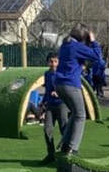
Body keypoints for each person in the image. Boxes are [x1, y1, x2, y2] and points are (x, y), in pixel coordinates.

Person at [55, 23, 103, 155]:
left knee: (75, 114)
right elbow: (97, 57)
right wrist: (93, 42)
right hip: (70, 84)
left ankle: (64, 145)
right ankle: (72, 148)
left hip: (58, 83)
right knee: (81, 115)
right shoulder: (76, 47)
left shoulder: (65, 45)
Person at [39, 52, 68, 164]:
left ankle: (66, 153)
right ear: (48, 62)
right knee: (47, 129)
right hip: (50, 105)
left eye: (55, 61)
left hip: (61, 104)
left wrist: (59, 93)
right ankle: (51, 154)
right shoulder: (47, 74)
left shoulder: (63, 74)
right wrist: (43, 103)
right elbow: (47, 90)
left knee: (64, 128)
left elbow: (68, 89)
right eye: (51, 61)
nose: (53, 64)